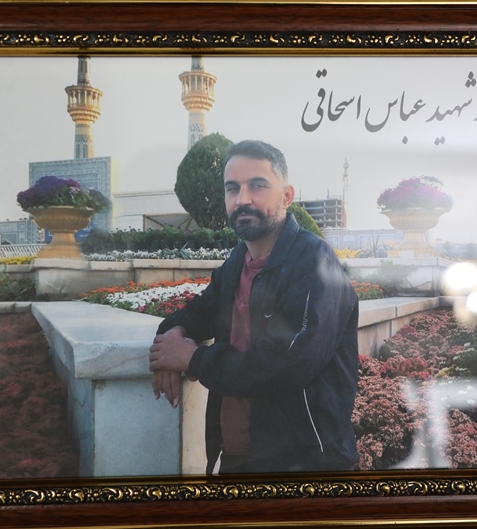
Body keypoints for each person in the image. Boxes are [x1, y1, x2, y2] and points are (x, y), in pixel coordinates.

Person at [148, 140, 359, 474]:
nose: (242, 199)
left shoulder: (314, 262)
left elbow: (286, 363)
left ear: (286, 196)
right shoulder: (237, 262)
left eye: (257, 186)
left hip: (306, 467)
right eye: (232, 188)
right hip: (236, 460)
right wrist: (169, 343)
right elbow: (195, 315)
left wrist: (191, 358)